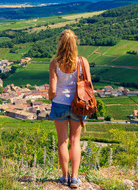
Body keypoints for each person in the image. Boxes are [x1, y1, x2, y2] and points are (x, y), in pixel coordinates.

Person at [48, 29, 91, 188]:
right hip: (77, 105)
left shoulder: (54, 63)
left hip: (59, 104)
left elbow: (52, 90)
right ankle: (74, 178)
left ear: (60, 43)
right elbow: (88, 86)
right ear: (75, 44)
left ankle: (64, 177)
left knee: (62, 141)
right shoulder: (82, 61)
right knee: (75, 141)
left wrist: (52, 98)